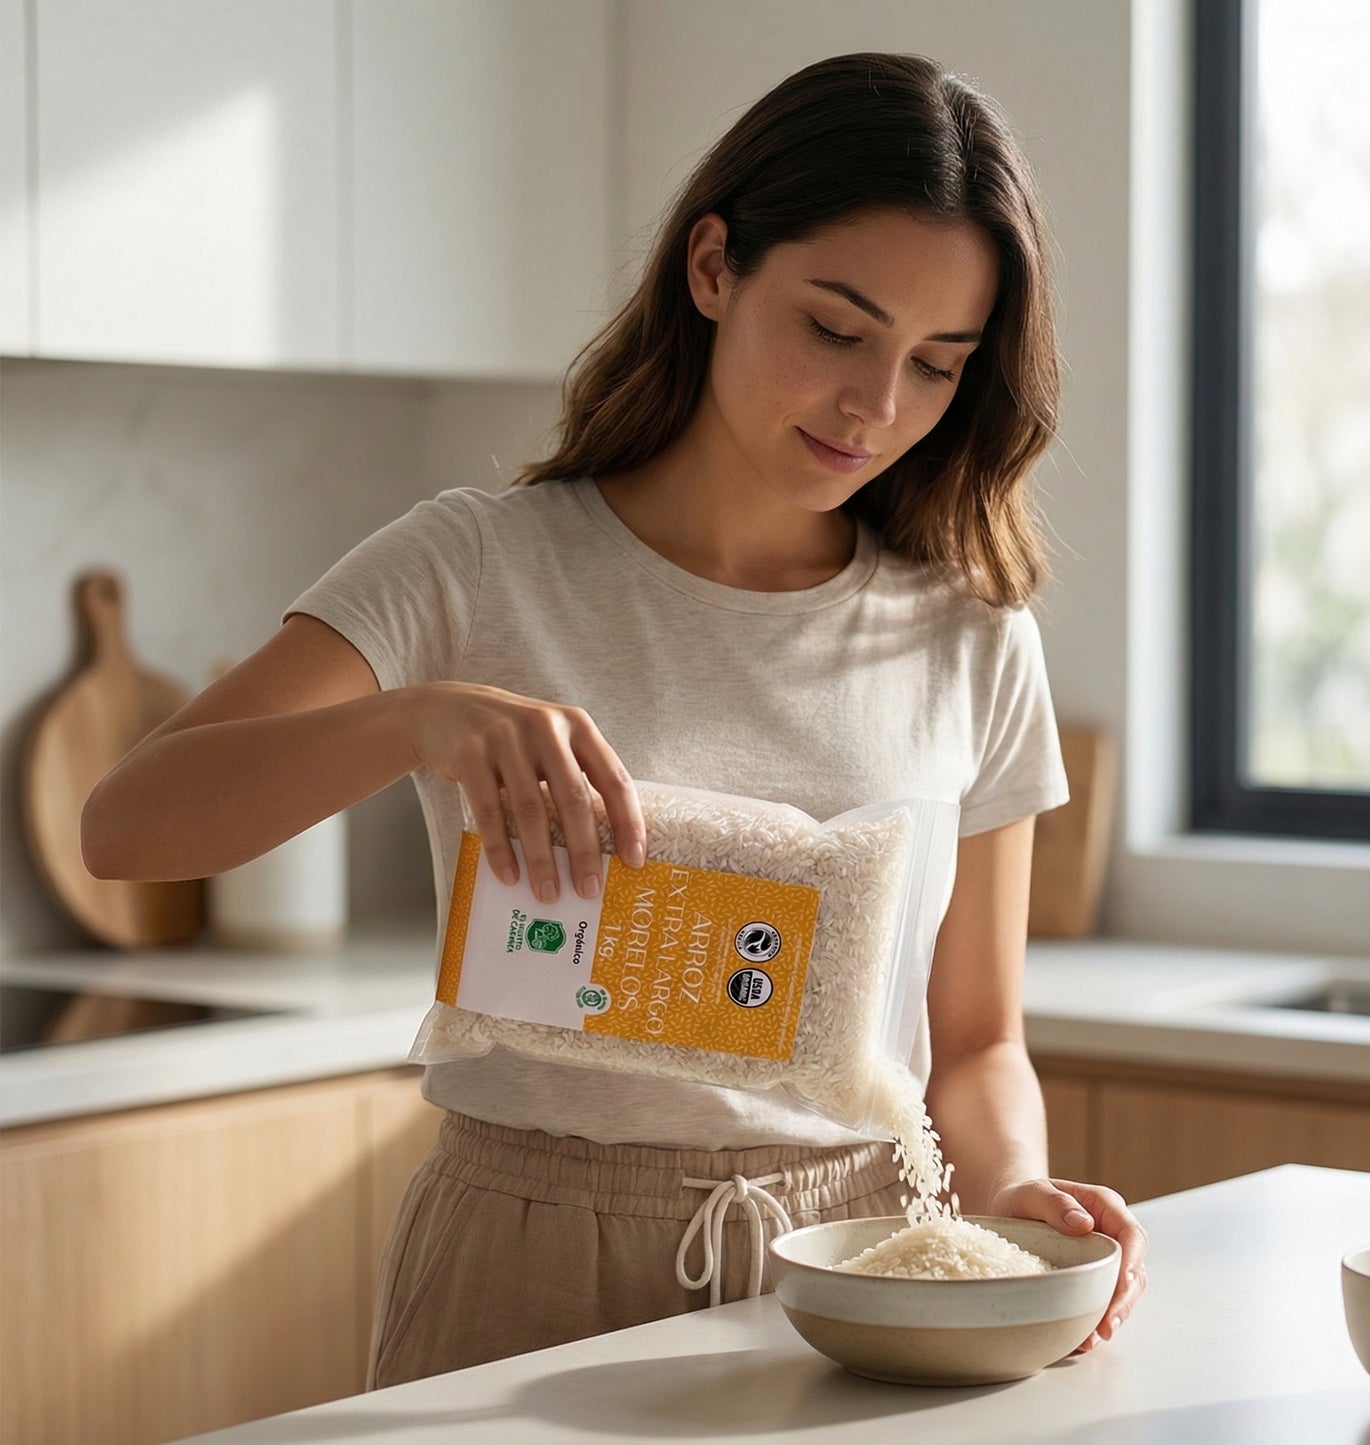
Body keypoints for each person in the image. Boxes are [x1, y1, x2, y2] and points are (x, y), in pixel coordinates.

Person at [82, 51, 1147, 1387]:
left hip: (865, 1263)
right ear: (713, 267)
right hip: (522, 1248)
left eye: (936, 363)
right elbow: (126, 828)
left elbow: (979, 1039)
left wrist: (1017, 1199)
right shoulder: (473, 564)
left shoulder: (969, 632)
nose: (876, 406)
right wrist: (415, 721)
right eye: (835, 328)